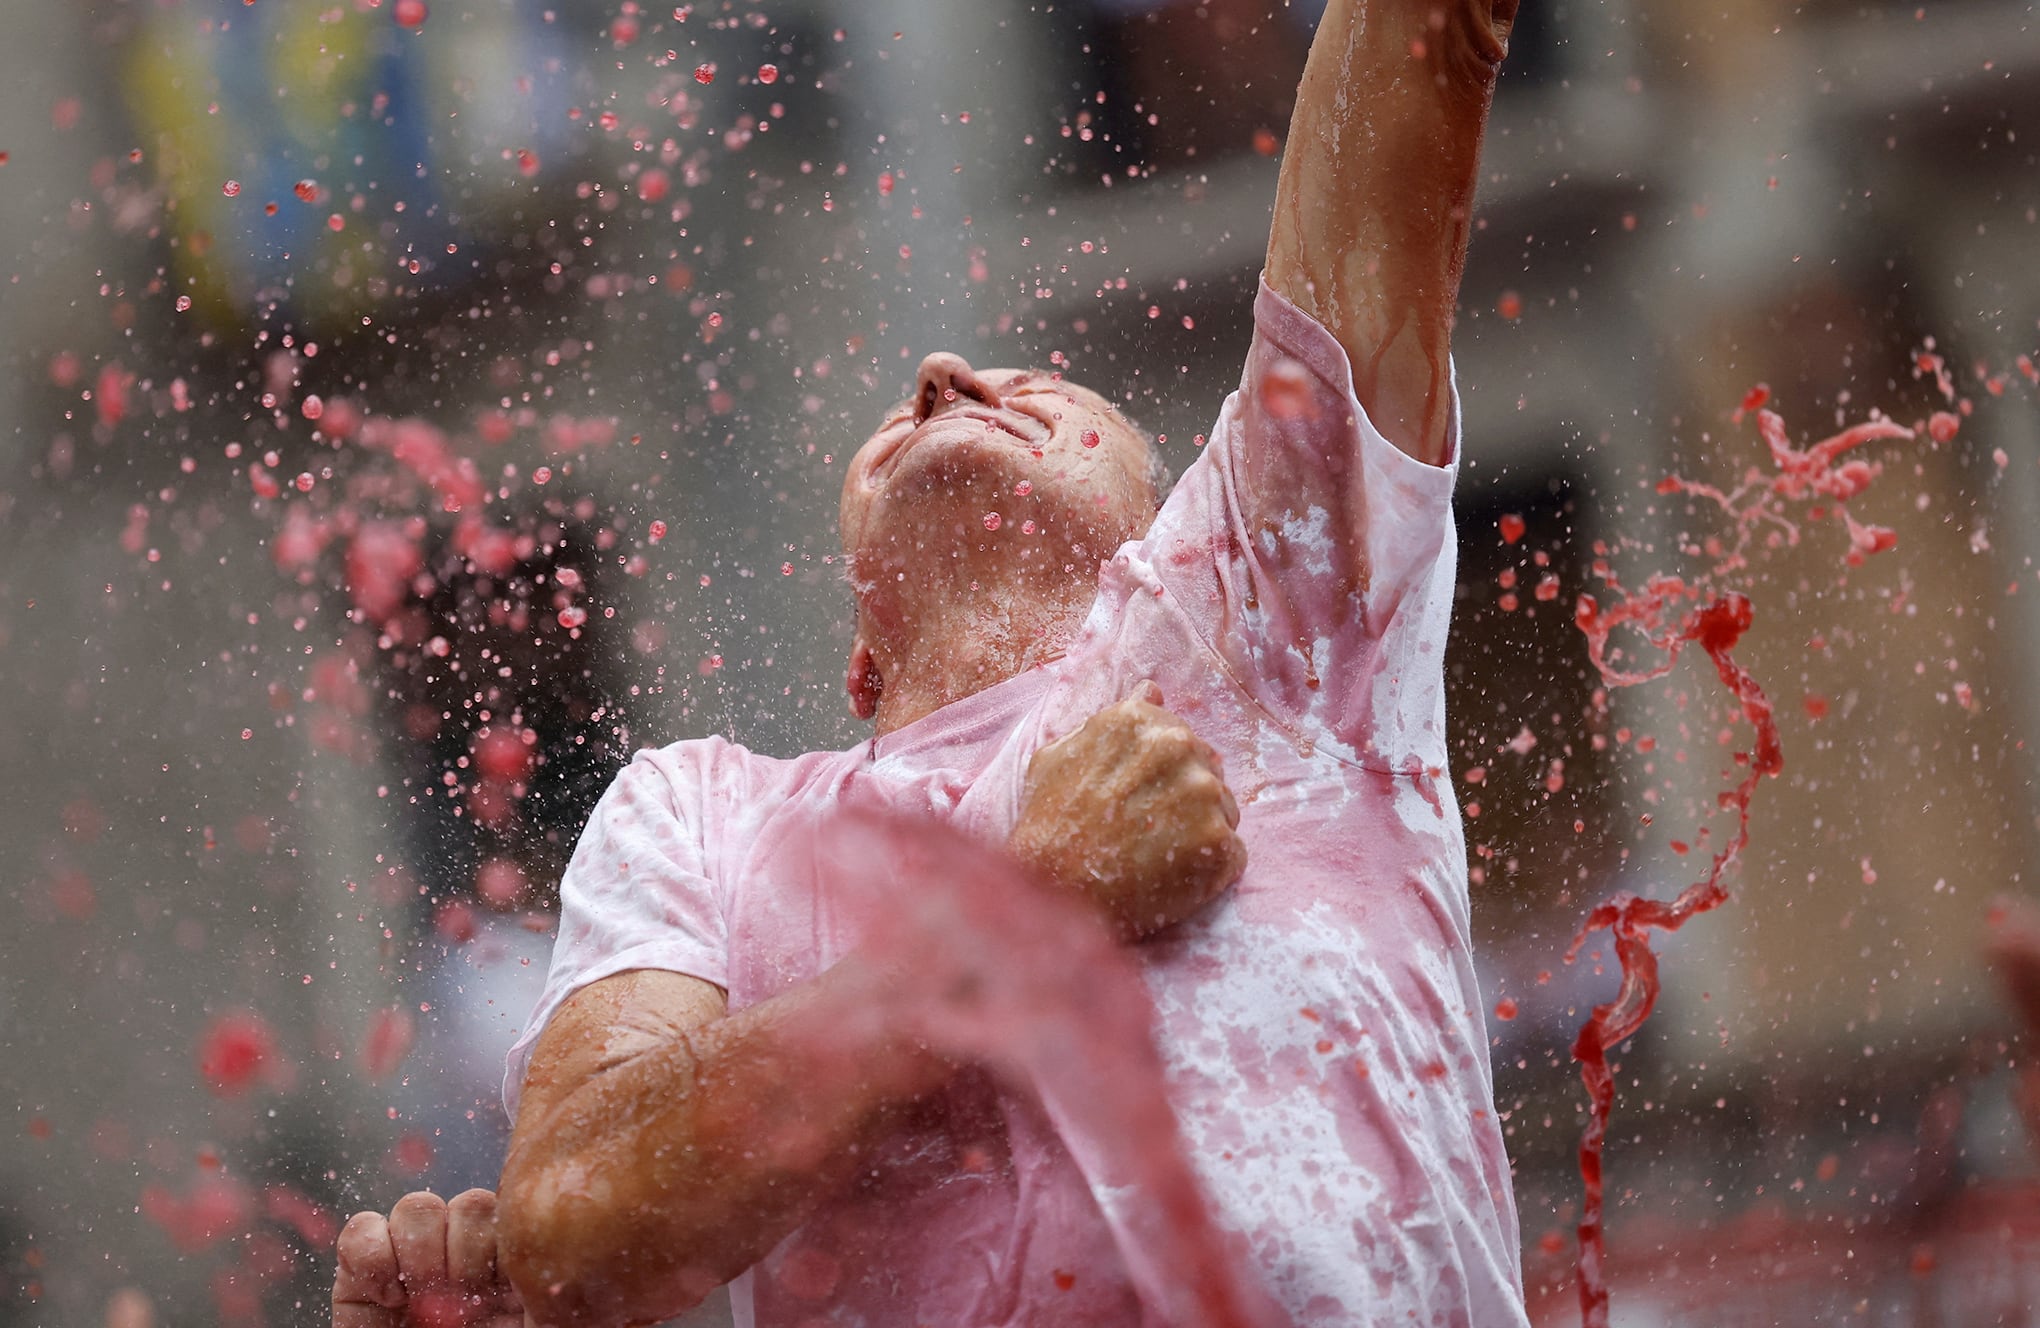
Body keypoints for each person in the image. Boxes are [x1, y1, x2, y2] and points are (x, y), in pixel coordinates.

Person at [334, 0, 1528, 1323]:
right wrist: (1017, 911)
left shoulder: (1265, 608)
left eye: (1045, 393)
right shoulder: (700, 816)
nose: (946, 375)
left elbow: (1419, 41)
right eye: (899, 416)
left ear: (1167, 526)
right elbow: (572, 1230)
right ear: (860, 665)